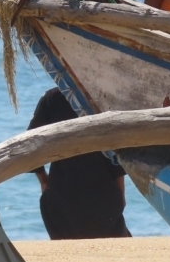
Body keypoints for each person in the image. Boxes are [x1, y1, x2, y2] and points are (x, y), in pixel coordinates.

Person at [27, 87, 131, 240]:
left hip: (62, 197)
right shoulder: (99, 94)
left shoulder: (52, 99)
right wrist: (120, 192)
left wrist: (43, 180)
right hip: (103, 197)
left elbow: (30, 144)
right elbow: (115, 151)